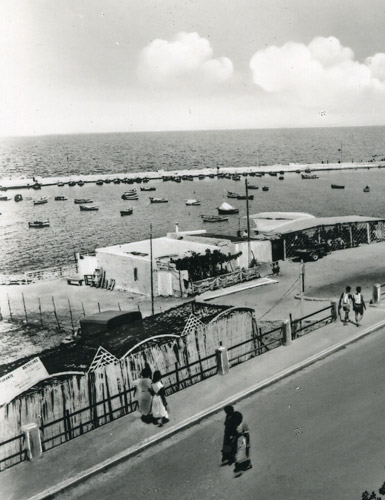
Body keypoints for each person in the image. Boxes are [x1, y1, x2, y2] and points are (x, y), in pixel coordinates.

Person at [232, 411, 252, 477]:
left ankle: (245, 465)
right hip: (237, 441)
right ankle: (244, 464)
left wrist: (248, 443)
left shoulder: (243, 424)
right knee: (237, 453)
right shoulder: (235, 425)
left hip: (243, 440)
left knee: (242, 453)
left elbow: (247, 434)